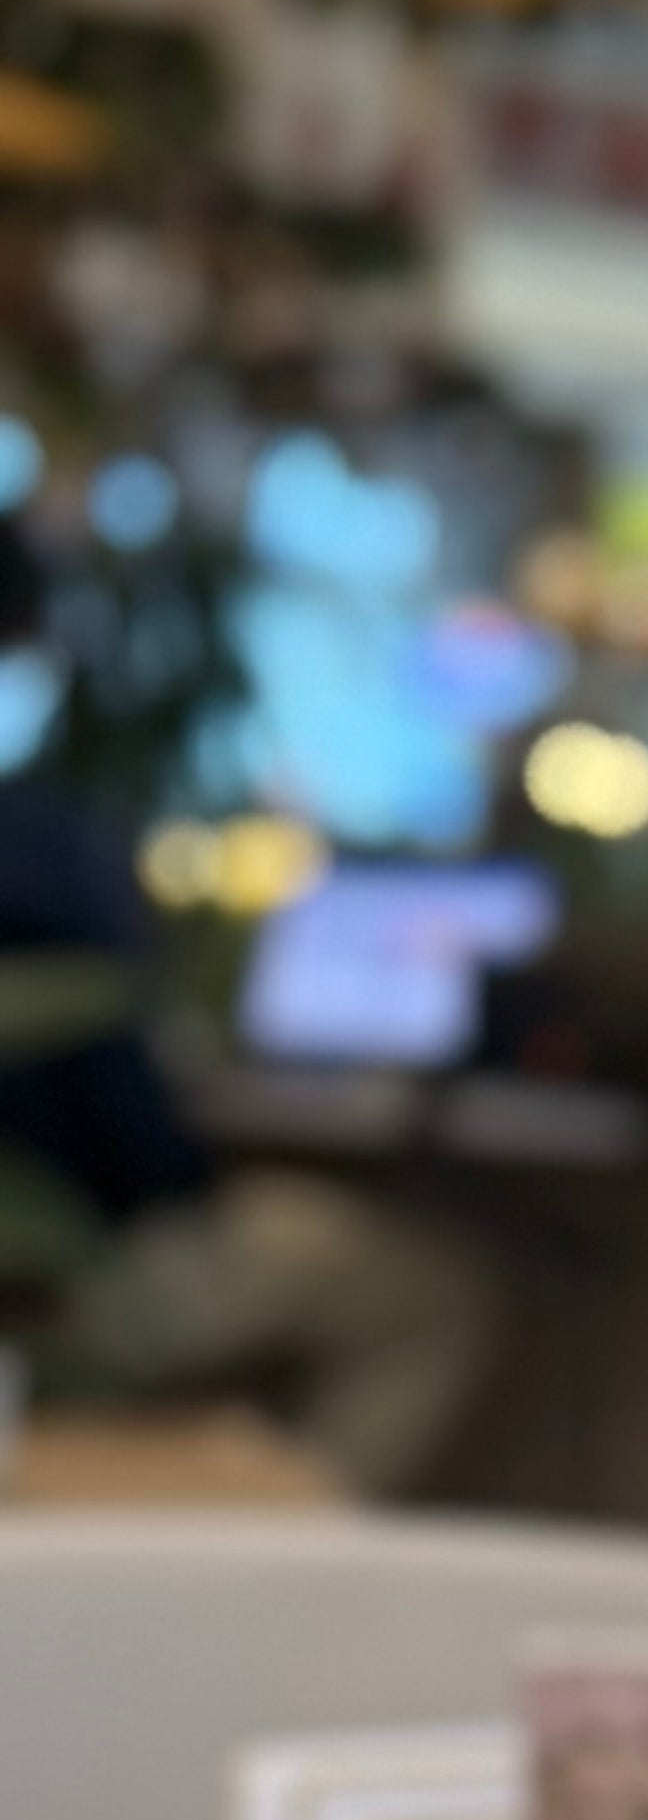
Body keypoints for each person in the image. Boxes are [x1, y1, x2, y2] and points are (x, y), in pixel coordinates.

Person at [0, 518, 491, 1498]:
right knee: (434, 1297)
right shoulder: (47, 855)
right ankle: (294, 1537)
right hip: (72, 1276)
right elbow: (142, 1156)